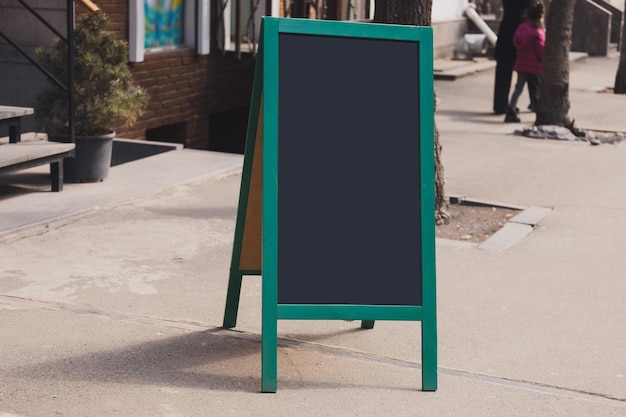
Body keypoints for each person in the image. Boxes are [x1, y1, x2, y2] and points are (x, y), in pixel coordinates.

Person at [504, 0, 545, 123]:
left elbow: (517, 42)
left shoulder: (521, 28)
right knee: (538, 86)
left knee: (518, 88)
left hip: (521, 64)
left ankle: (511, 108)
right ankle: (536, 104)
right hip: (535, 66)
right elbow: (540, 50)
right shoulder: (537, 33)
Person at [493, 0, 531, 114]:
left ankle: (500, 104)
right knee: (530, 69)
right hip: (518, 31)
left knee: (503, 72)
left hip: (506, 32)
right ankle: (535, 100)